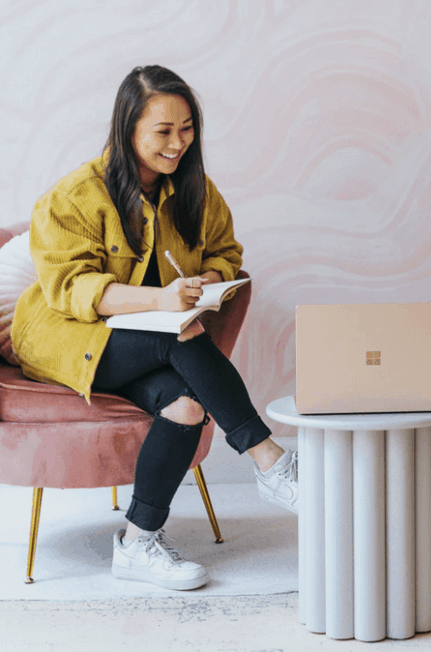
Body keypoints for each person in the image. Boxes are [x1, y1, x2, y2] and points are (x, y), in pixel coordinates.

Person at [12, 66, 298, 591]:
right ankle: (270, 461)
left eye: (186, 128)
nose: (178, 143)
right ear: (127, 130)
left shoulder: (194, 189)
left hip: (149, 344)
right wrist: (161, 301)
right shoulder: (73, 196)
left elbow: (225, 253)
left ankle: (138, 542)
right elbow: (74, 289)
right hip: (67, 338)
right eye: (163, 131)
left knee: (185, 408)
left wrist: (210, 279)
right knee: (179, 333)